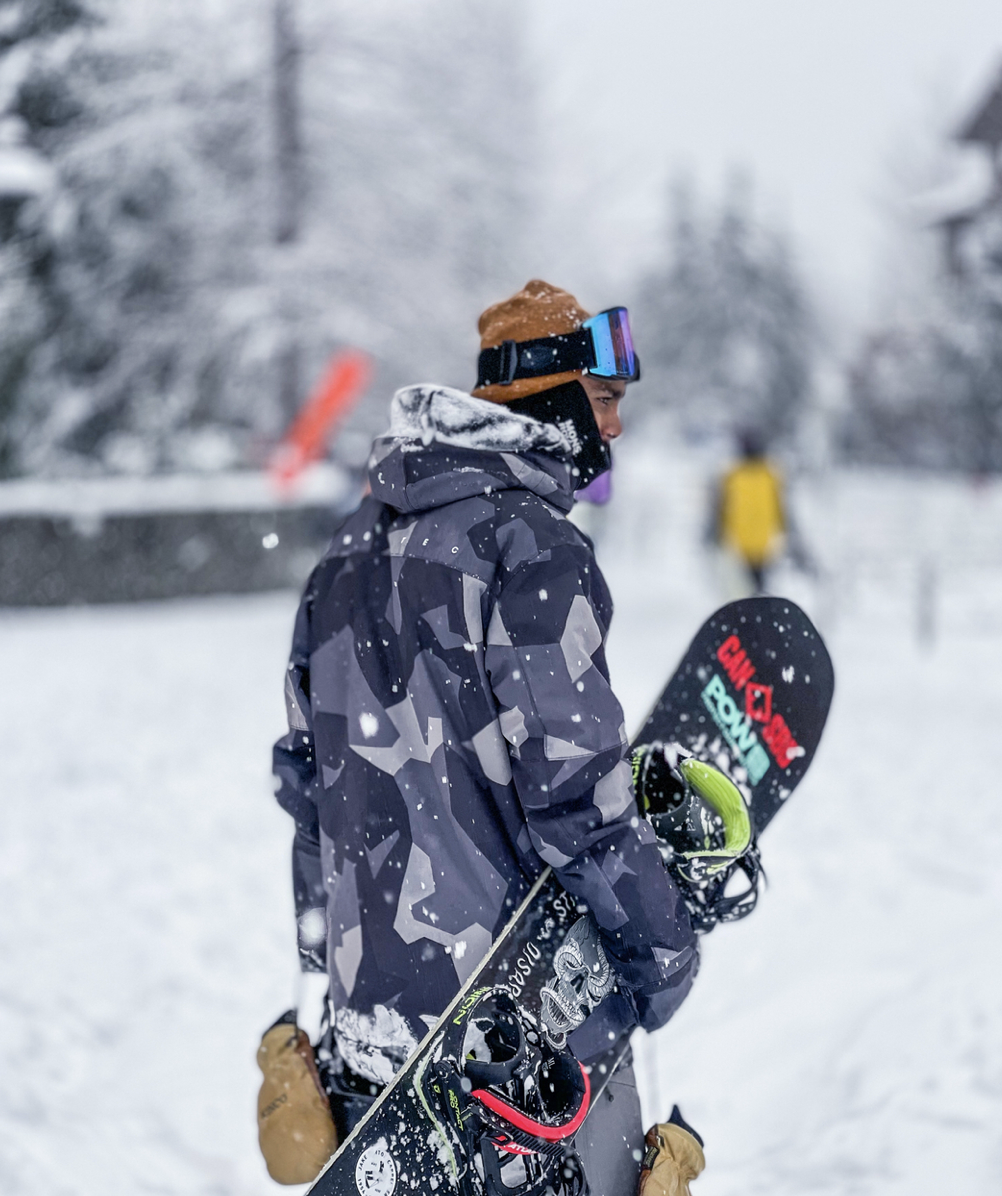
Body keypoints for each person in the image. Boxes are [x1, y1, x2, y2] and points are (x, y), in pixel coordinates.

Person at [261, 280, 702, 1194]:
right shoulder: (532, 546)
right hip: (509, 1046)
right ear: (552, 398)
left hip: (375, 1048)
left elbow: (308, 791)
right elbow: (576, 799)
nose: (613, 430)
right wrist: (662, 954)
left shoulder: (345, 550)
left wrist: (323, 974)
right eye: (606, 401)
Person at [709, 429, 786, 595]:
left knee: (753, 585)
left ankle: (755, 611)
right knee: (748, 586)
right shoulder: (762, 474)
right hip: (745, 543)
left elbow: (779, 506)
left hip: (757, 543)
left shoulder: (766, 474)